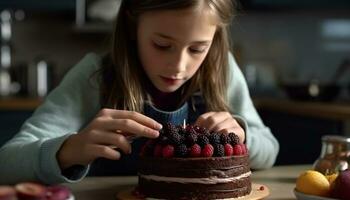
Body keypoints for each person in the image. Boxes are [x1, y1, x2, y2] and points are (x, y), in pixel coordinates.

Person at [0, 0, 279, 184]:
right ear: (134, 26)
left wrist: (241, 134)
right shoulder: (95, 75)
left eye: (197, 49)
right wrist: (67, 150)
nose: (178, 66)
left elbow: (269, 150)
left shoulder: (222, 70)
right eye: (161, 44)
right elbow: (7, 162)